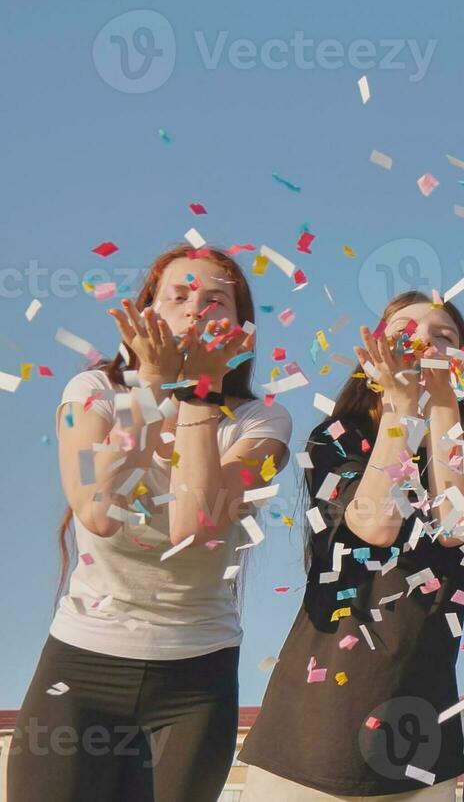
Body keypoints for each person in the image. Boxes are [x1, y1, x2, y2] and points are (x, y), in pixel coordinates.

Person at [10, 243, 292, 801]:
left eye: (216, 301)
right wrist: (151, 390)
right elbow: (97, 509)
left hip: (194, 681)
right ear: (147, 313)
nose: (196, 310)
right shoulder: (91, 394)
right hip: (81, 667)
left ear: (242, 329)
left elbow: (195, 523)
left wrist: (199, 395)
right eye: (179, 295)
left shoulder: (265, 423)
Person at [241, 292, 464, 800]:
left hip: (421, 742)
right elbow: (375, 526)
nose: (425, 341)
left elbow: (458, 526)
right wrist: (402, 411)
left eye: (444, 337)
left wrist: (443, 405)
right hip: (310, 737)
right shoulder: (335, 438)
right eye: (407, 329)